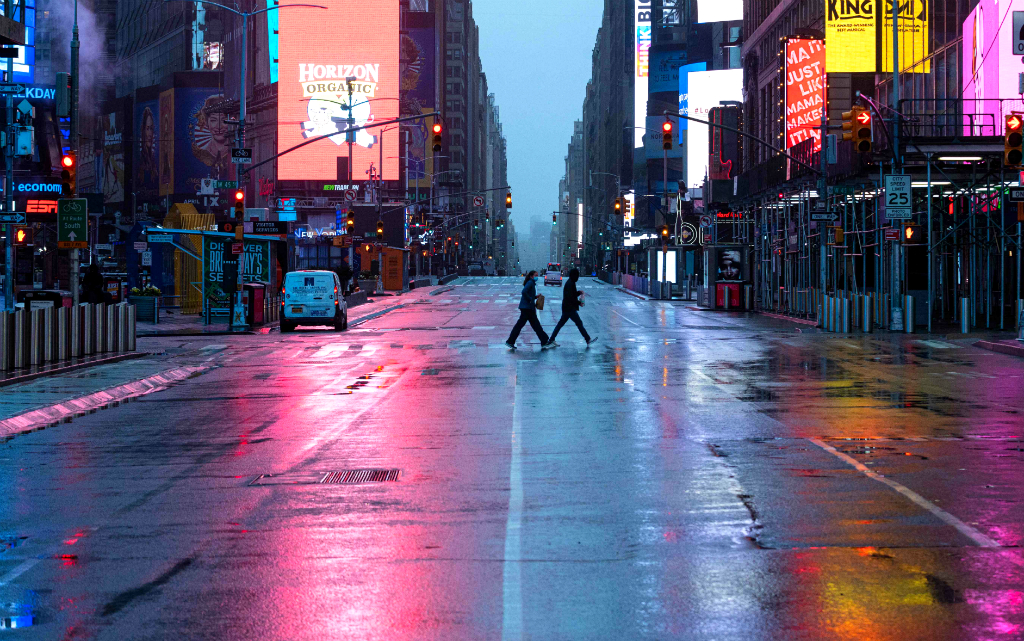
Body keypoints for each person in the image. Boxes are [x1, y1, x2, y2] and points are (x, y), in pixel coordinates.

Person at [545, 268, 597, 348]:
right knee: (578, 323)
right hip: (570, 308)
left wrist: (578, 293)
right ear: (574, 275)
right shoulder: (570, 283)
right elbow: (570, 297)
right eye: (577, 276)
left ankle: (551, 340)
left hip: (567, 307)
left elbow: (571, 295)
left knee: (561, 324)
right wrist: (579, 302)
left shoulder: (570, 282)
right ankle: (588, 339)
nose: (578, 278)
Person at [505, 270, 549, 350]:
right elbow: (524, 292)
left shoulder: (531, 282)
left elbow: (528, 293)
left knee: (528, 326)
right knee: (535, 326)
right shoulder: (530, 283)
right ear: (531, 276)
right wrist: (530, 299)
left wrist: (535, 297)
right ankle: (545, 341)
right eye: (536, 275)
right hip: (527, 308)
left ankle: (510, 341)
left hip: (527, 308)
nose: (537, 277)